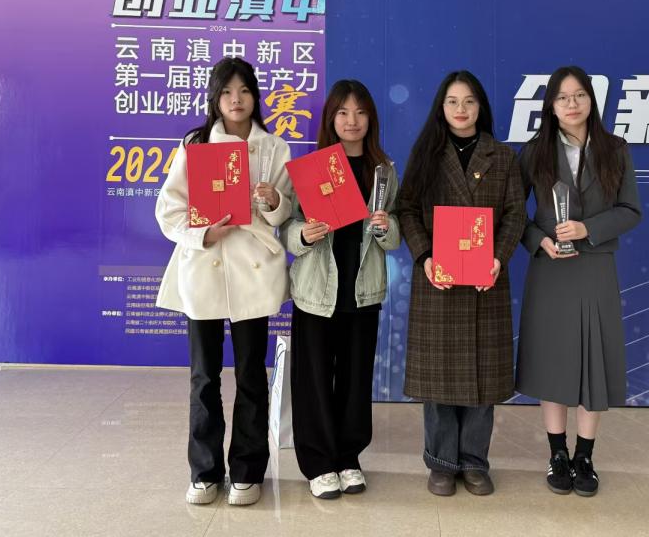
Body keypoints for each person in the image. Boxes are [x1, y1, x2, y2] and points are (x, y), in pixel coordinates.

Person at [155, 57, 293, 507]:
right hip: (205, 267)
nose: (236, 100)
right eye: (228, 91)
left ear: (255, 97)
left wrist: (273, 201)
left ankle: (248, 472)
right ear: (215, 98)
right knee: (203, 377)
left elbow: (286, 211)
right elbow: (168, 209)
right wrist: (203, 234)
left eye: (245, 90)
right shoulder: (195, 145)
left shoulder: (274, 147)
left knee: (251, 375)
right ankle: (205, 472)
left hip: (253, 269)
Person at [516, 65, 642, 497]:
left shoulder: (614, 149)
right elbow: (512, 213)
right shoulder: (534, 151)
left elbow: (630, 210)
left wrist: (588, 229)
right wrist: (539, 240)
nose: (572, 104)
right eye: (562, 97)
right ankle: (557, 454)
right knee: (553, 360)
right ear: (550, 106)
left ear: (591, 100)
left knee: (594, 362)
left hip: (595, 267)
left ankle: (584, 456)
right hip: (550, 269)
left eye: (579, 95)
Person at [398, 70, 525, 497]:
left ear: (480, 107)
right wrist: (425, 257)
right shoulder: (426, 154)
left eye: (469, 101)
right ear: (441, 107)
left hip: (486, 280)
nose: (461, 109)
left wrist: (498, 258)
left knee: (481, 380)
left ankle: (474, 461)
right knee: (438, 381)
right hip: (439, 280)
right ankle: (440, 463)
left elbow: (515, 215)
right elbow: (406, 209)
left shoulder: (502, 156)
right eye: (452, 101)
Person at [281, 79, 402, 499]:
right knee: (314, 380)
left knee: (355, 380)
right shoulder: (314, 167)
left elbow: (395, 233)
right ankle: (318, 463)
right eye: (343, 113)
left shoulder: (383, 170)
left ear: (371, 118)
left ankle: (349, 457)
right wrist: (303, 234)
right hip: (317, 291)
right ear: (331, 119)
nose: (352, 121)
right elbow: (287, 226)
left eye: (360, 112)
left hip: (362, 290)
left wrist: (386, 227)